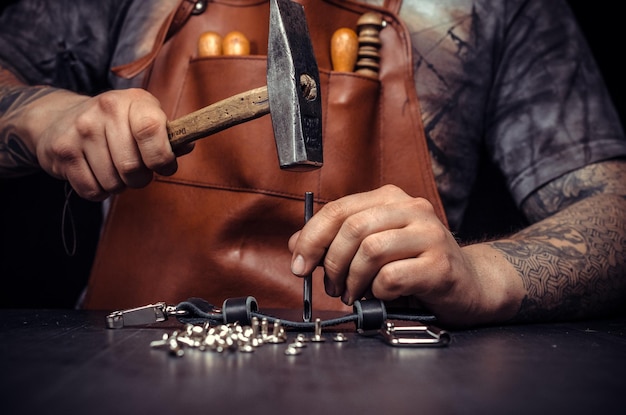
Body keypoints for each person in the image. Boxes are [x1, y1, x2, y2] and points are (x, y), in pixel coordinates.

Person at [1, 0, 625, 327]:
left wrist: (486, 275)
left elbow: (615, 209)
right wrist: (37, 112)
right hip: (127, 361)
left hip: (386, 385)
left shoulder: (492, 8)